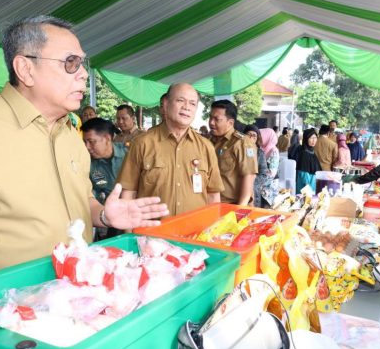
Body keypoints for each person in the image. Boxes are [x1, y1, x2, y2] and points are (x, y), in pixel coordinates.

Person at [0, 15, 167, 306]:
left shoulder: (71, 134)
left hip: (76, 300)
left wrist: (104, 215)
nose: (83, 74)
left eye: (83, 63)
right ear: (25, 69)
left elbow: (80, 200)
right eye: (71, 62)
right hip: (1, 311)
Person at [118, 83, 223, 216]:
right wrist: (129, 227)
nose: (186, 107)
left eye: (192, 103)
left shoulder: (206, 147)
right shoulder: (142, 144)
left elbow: (213, 195)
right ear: (166, 104)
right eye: (180, 100)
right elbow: (128, 193)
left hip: (195, 228)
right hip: (152, 228)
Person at [81, 117, 126, 240]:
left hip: (132, 214)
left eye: (91, 142)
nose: (87, 147)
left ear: (107, 138)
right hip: (104, 219)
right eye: (85, 142)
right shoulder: (87, 164)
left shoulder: (129, 155)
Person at [209, 100, 258, 205]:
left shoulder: (242, 143)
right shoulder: (210, 141)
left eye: (217, 119)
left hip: (233, 205)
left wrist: (238, 210)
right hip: (214, 204)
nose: (211, 122)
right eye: (210, 118)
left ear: (230, 123)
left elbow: (249, 176)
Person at [255, 128, 279, 208]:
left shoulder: (274, 151)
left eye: (261, 137)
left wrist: (257, 181)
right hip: (259, 183)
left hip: (269, 185)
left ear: (267, 137)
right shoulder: (260, 149)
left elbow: (272, 172)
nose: (259, 139)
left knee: (266, 208)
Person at [244, 125, 267, 207]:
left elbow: (263, 174)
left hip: (253, 190)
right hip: (237, 189)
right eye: (248, 134)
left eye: (254, 135)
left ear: (257, 138)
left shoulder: (260, 153)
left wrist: (249, 182)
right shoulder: (238, 150)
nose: (251, 137)